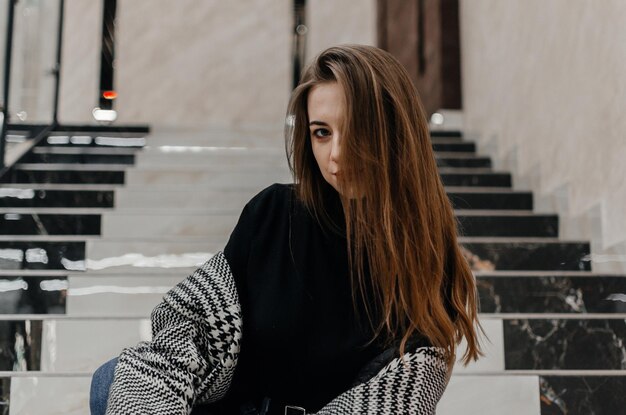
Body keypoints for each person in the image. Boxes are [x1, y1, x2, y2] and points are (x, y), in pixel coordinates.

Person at [90, 44, 482, 415]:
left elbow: (396, 403)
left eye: (357, 129)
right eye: (321, 132)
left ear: (396, 132)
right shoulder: (276, 213)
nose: (337, 155)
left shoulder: (427, 267)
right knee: (116, 379)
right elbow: (187, 330)